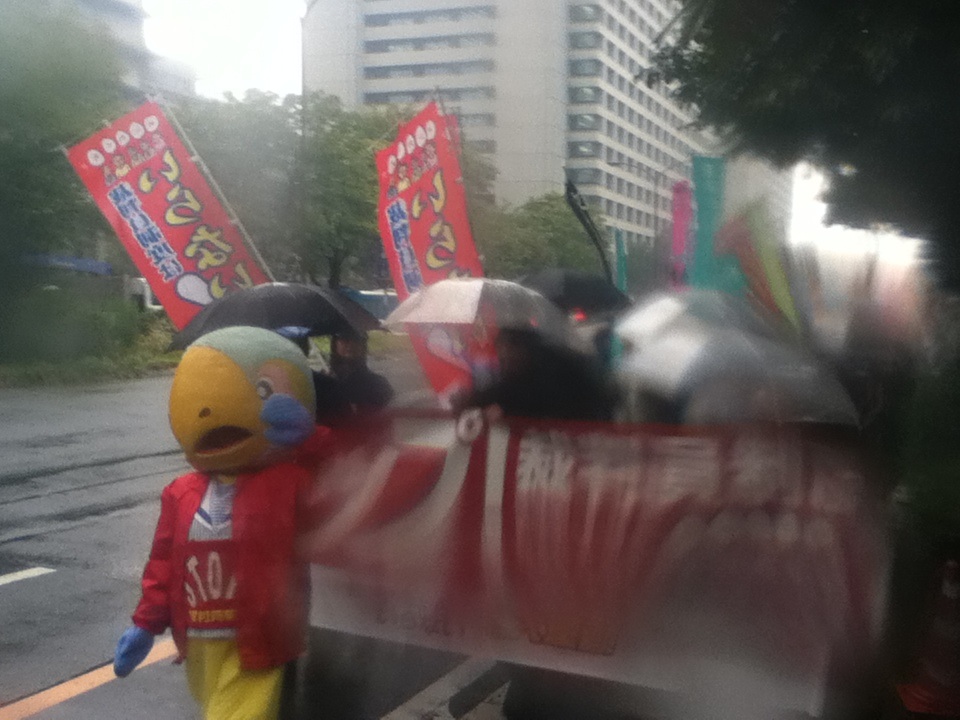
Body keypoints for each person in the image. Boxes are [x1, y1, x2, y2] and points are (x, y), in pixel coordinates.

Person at [459, 327, 615, 422]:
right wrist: (470, 400)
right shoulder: (523, 373)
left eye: (511, 345)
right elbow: (503, 392)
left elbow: (517, 396)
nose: (503, 354)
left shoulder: (548, 374)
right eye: (500, 345)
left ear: (526, 348)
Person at [329, 330, 394, 414]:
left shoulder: (379, 385)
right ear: (335, 344)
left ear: (363, 346)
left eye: (356, 339)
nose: (351, 344)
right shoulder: (323, 384)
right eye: (345, 339)